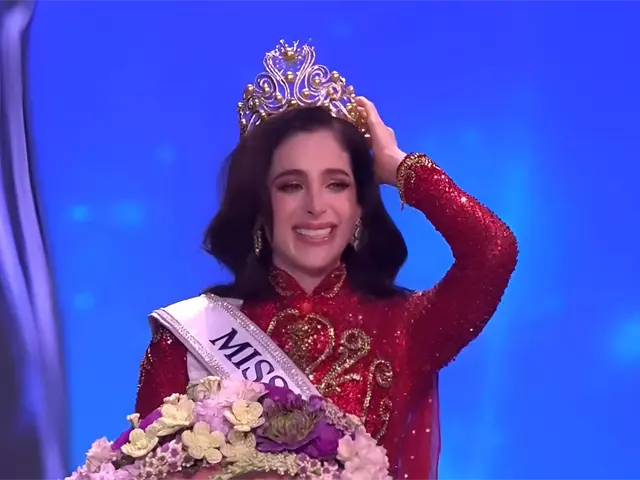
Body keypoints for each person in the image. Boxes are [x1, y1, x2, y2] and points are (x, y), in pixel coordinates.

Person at [134, 41, 518, 479]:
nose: (316, 206)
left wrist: (400, 167)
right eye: (291, 185)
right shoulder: (186, 340)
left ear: (359, 207)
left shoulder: (407, 327)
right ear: (259, 205)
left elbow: (493, 250)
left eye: (336, 184)